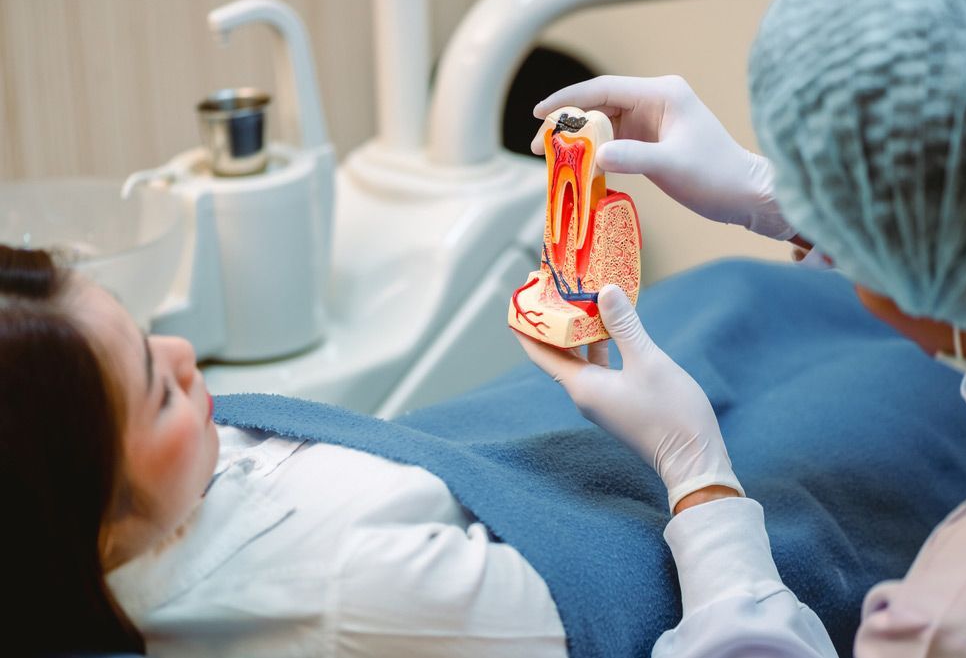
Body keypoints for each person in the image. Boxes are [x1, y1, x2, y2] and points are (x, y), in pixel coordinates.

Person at [519, 0, 966, 655]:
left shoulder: (956, 618)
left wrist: (700, 482)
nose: (839, 256)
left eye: (857, 240)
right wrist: (773, 197)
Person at [0, 244, 567, 656]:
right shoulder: (341, 591)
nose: (182, 353)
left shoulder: (170, 487)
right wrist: (663, 456)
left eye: (145, 331)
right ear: (95, 529)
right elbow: (609, 627)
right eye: (160, 391)